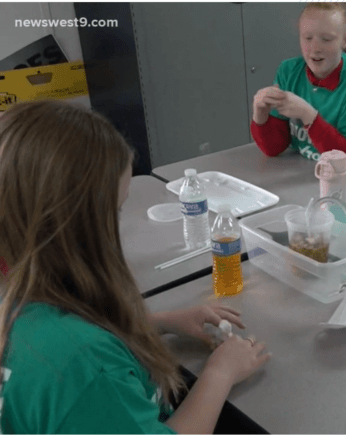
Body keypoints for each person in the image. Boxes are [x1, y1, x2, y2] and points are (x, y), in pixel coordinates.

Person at [0, 101, 271, 434]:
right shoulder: (86, 369)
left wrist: (160, 322)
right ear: (76, 226)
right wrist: (221, 372)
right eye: (116, 211)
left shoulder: (21, 298)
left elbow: (69, 326)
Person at [250, 3, 346, 178]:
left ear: (345, 40)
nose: (315, 48)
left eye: (326, 39)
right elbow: (274, 149)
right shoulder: (288, 71)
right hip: (305, 175)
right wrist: (260, 115)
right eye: (307, 38)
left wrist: (308, 115)